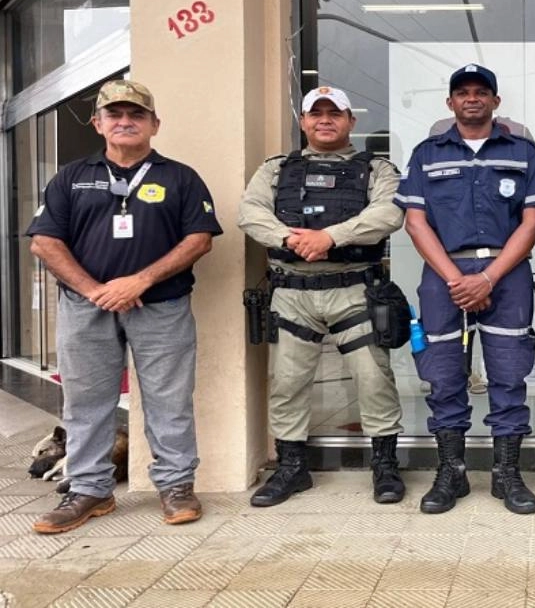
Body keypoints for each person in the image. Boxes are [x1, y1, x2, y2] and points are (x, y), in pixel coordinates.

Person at [26, 80, 222, 533]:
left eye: (136, 115)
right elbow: (44, 243)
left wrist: (140, 279)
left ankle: (175, 486)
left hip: (162, 305)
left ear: (154, 124)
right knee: (85, 400)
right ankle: (90, 489)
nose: (125, 122)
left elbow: (199, 240)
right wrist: (96, 290)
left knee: (169, 399)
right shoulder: (71, 177)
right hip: (85, 307)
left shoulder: (180, 178)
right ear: (99, 124)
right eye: (114, 115)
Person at [396, 63, 535, 515]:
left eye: (481, 92)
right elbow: (415, 221)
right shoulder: (428, 154)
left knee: (508, 376)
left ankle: (507, 475)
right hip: (444, 275)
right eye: (462, 92)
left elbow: (533, 221)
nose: (472, 98)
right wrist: (456, 279)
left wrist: (487, 278)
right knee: (443, 376)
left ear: (495, 101)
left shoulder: (522, 151)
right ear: (450, 103)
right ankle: (452, 473)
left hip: (506, 275)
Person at [238, 86, 406, 507]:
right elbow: (250, 213)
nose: (325, 119)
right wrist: (292, 240)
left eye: (336, 112)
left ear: (352, 121)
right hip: (292, 293)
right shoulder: (276, 169)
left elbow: (389, 213)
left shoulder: (377, 169)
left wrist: (330, 237)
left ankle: (385, 465)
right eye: (317, 113)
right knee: (288, 384)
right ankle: (293, 468)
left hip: (354, 289)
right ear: (303, 122)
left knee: (373, 379)